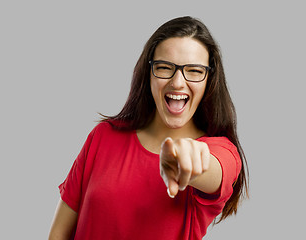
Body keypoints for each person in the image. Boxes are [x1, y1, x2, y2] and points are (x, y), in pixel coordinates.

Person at [48, 16, 249, 240]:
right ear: (149, 73)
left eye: (194, 70)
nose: (178, 82)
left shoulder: (221, 151)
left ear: (209, 80)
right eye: (165, 67)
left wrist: (189, 163)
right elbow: (58, 234)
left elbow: (214, 170)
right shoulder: (103, 136)